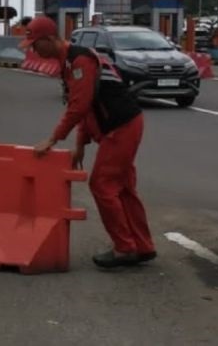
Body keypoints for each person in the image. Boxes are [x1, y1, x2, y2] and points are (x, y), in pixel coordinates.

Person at [20, 16, 156, 268]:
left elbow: (79, 106)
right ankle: (142, 246)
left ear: (49, 40)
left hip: (121, 127)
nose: (33, 51)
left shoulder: (79, 60)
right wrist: (81, 143)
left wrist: (52, 139)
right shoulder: (69, 61)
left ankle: (125, 248)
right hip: (120, 125)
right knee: (123, 188)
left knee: (102, 185)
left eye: (35, 44)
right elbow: (88, 106)